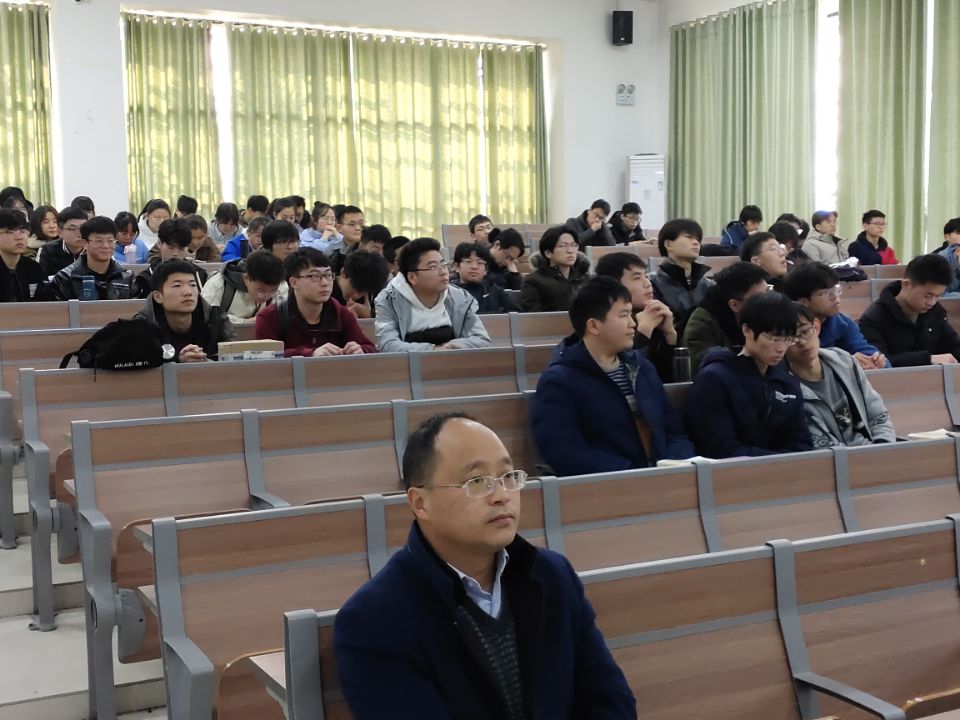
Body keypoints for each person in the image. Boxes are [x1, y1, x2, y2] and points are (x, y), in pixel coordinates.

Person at [334, 412, 637, 719]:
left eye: (508, 477)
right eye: (477, 481)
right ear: (420, 503)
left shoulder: (553, 576)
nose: (502, 496)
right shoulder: (373, 621)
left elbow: (611, 702)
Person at [532, 276, 693, 476]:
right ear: (594, 326)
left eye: (631, 314)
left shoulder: (641, 367)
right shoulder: (559, 381)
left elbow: (674, 431)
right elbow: (565, 453)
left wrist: (678, 464)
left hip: (666, 478)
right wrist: (631, 475)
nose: (633, 323)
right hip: (612, 484)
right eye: (624, 315)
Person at [685, 292, 812, 458]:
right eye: (773, 338)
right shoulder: (714, 378)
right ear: (747, 330)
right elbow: (720, 448)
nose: (781, 348)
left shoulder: (785, 379)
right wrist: (778, 462)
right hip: (733, 470)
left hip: (785, 468)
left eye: (788, 339)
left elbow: (802, 442)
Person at [787, 304, 896, 448]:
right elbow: (822, 446)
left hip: (874, 450)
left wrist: (883, 447)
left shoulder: (845, 361)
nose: (802, 342)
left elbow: (878, 415)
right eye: (791, 338)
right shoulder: (784, 390)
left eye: (805, 331)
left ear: (816, 327)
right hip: (837, 459)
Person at [375, 237, 491, 352]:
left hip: (453, 361)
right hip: (408, 363)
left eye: (443, 264)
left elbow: (482, 340)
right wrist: (433, 351)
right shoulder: (389, 300)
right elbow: (387, 344)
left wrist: (453, 346)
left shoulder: (460, 298)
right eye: (433, 267)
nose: (443, 272)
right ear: (412, 277)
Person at [255, 248, 376, 357]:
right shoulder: (270, 317)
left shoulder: (341, 314)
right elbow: (265, 357)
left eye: (328, 275)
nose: (325, 283)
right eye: (315, 276)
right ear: (294, 282)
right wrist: (309, 354)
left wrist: (360, 350)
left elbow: (370, 348)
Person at [858, 253, 960, 367]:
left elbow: (954, 344)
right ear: (906, 285)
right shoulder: (873, 319)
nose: (932, 302)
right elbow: (881, 363)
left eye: (938, 296)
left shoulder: (935, 311)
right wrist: (927, 359)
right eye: (927, 295)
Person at [783, 262, 887, 369]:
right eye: (825, 293)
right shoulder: (786, 329)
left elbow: (863, 350)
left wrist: (876, 360)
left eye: (836, 289)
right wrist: (846, 361)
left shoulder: (843, 323)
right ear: (803, 301)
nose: (835, 296)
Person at [594, 251, 676, 381]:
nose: (647, 283)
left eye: (646, 276)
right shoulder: (604, 322)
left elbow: (665, 378)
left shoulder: (653, 314)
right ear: (615, 285)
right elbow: (625, 376)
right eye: (637, 278)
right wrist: (644, 332)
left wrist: (670, 334)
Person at [133, 259, 234, 362]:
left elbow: (232, 361)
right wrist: (179, 363)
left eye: (192, 285)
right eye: (177, 285)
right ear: (158, 296)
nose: (188, 292)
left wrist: (204, 362)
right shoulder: (140, 330)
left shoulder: (216, 320)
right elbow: (141, 367)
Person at [683, 262, 771, 375]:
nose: (767, 301)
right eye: (759, 298)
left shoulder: (768, 316)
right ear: (734, 305)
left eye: (768, 292)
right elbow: (705, 370)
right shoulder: (701, 324)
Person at [50, 216, 136, 300]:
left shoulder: (126, 277)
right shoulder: (66, 278)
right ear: (85, 243)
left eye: (110, 241)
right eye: (99, 241)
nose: (106, 246)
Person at [650, 218, 714, 331]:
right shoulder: (653, 283)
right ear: (668, 244)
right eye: (689, 237)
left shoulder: (708, 285)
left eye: (698, 239)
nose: (696, 242)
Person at [200, 249, 284, 323]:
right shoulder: (218, 285)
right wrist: (244, 322)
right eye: (261, 290)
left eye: (273, 290)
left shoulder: (279, 286)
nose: (267, 296)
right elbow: (206, 315)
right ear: (246, 278)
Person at [520, 226, 588, 312]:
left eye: (574, 245)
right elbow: (534, 317)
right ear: (548, 253)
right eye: (563, 246)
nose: (570, 251)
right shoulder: (533, 281)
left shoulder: (584, 278)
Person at [136, 218, 206, 297]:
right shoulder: (146, 278)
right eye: (170, 248)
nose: (175, 254)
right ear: (159, 243)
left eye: (181, 249)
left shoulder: (198, 274)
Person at [450, 243, 519, 314]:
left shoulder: (493, 289)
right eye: (468, 262)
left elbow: (516, 312)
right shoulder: (449, 292)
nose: (474, 267)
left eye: (480, 263)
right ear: (457, 267)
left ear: (486, 270)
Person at [0, 208, 48, 302]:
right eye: (10, 232)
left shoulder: (34, 268)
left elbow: (44, 303)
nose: (19, 237)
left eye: (23, 231)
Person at [333, 250, 390, 319]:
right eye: (355, 288)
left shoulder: (370, 289)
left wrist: (369, 315)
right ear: (343, 273)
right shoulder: (326, 290)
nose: (356, 296)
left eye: (362, 293)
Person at [37, 206, 87, 278]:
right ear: (60, 232)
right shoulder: (47, 250)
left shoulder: (93, 249)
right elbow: (41, 280)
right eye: (73, 229)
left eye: (83, 228)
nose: (80, 234)